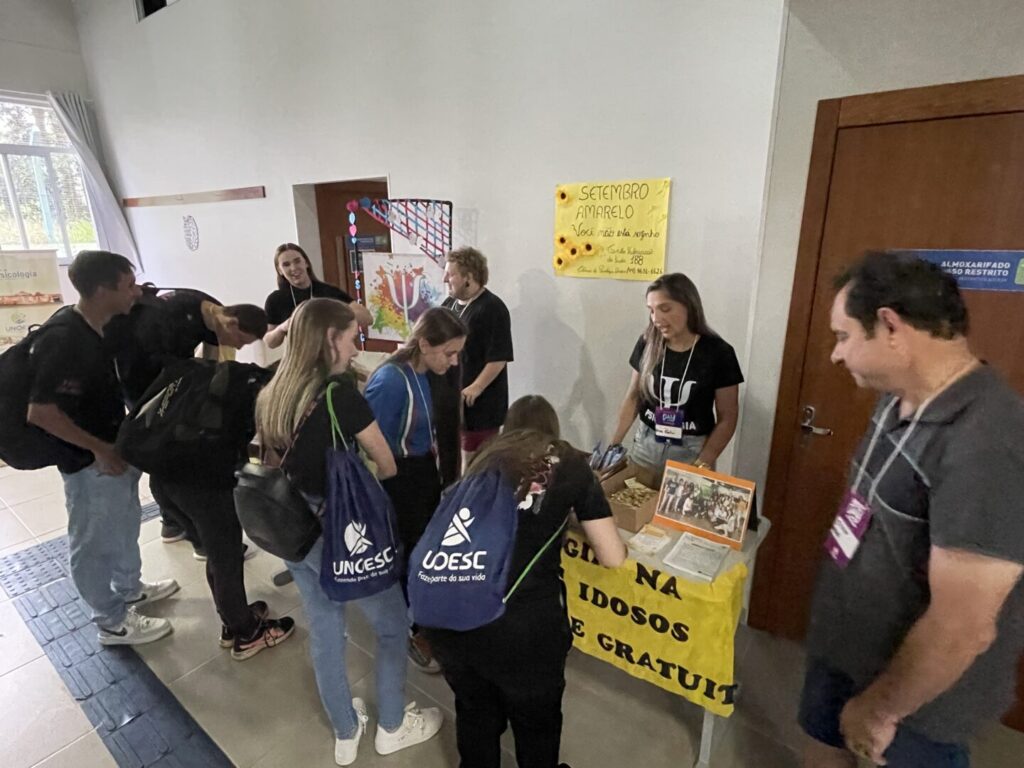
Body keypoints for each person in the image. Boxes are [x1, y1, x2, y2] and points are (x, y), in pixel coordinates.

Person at [801, 252, 1024, 768]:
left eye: (843, 336)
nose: (836, 354)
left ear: (890, 327)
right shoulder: (898, 395)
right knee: (822, 747)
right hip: (845, 645)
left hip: (914, 697)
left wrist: (881, 709)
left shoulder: (989, 443)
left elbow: (962, 627)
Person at [255, 298, 443, 766]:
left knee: (325, 630)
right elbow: (387, 462)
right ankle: (393, 727)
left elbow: (272, 460)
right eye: (351, 337)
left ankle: (345, 731)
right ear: (329, 339)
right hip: (342, 531)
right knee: (393, 627)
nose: (357, 346)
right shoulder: (340, 397)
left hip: (294, 529)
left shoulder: (272, 391)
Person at [424, 396, 627, 768]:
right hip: (521, 631)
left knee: (475, 713)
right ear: (553, 433)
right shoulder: (569, 463)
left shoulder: (484, 458)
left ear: (509, 429)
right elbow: (612, 556)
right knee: (536, 725)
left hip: (449, 618)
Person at [25, 251, 178, 645]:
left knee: (124, 522)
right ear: (100, 291)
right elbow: (41, 412)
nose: (135, 291)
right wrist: (100, 450)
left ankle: (130, 589)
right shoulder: (64, 339)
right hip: (87, 460)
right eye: (127, 285)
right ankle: (111, 621)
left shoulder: (97, 326)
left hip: (113, 446)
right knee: (92, 540)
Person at [104, 285, 268, 548]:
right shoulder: (169, 317)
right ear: (232, 322)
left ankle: (176, 523)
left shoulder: (214, 314)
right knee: (161, 446)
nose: (239, 345)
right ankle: (180, 526)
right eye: (241, 339)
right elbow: (159, 369)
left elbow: (214, 366)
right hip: (140, 380)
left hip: (167, 372)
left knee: (176, 445)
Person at [363, 307, 467, 672]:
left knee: (425, 546)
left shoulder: (425, 374)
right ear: (424, 343)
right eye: (449, 353)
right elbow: (369, 443)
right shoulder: (391, 381)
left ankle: (428, 612)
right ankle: (413, 627)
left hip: (421, 469)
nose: (454, 362)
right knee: (409, 550)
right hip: (398, 476)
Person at [610, 273, 743, 484]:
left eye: (665, 309)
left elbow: (728, 417)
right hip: (646, 443)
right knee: (633, 502)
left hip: (692, 450)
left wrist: (702, 464)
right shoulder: (647, 343)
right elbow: (634, 396)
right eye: (651, 310)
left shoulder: (719, 353)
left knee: (675, 507)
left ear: (688, 305)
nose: (656, 319)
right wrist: (613, 447)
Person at [441, 247, 514, 464]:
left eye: (450, 274)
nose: (445, 279)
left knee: (475, 464)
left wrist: (476, 387)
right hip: (453, 401)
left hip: (481, 406)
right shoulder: (448, 305)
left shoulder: (492, 308)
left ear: (469, 277)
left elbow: (498, 357)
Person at [263, 242, 372, 349]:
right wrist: (283, 327)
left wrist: (331, 315)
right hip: (299, 357)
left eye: (297, 261)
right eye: (286, 264)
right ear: (280, 270)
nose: (293, 268)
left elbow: (367, 318)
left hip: (332, 355)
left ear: (306, 263)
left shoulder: (328, 291)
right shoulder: (275, 300)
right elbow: (269, 342)